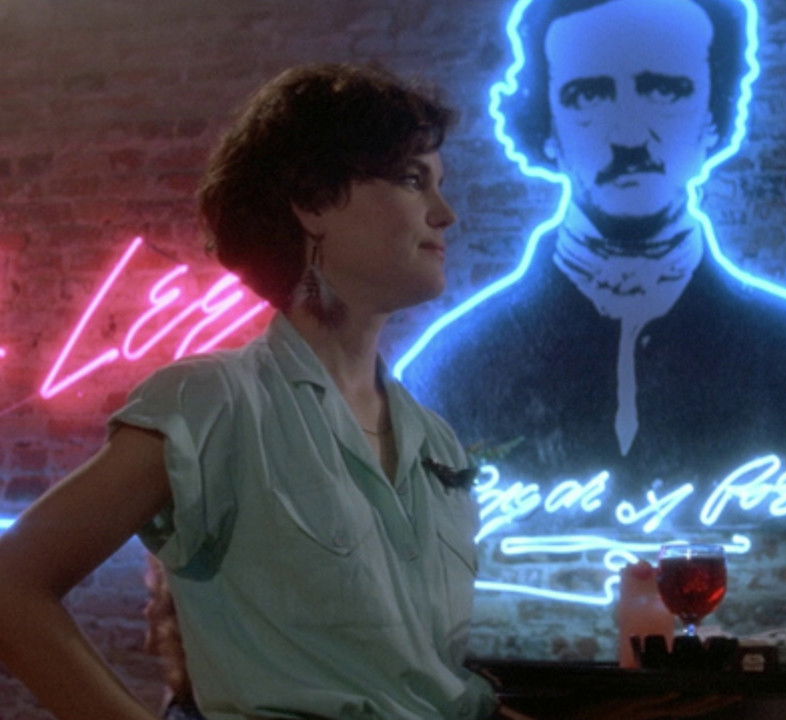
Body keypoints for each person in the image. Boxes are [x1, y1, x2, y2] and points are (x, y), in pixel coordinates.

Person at [0, 63, 498, 720]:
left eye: (440, 184)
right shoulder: (212, 402)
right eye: (412, 180)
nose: (445, 213)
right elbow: (12, 587)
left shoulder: (435, 443)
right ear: (312, 201)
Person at [397, 0, 786, 528]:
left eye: (664, 90)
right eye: (589, 96)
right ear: (546, 127)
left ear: (714, 117)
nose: (628, 136)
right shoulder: (447, 371)